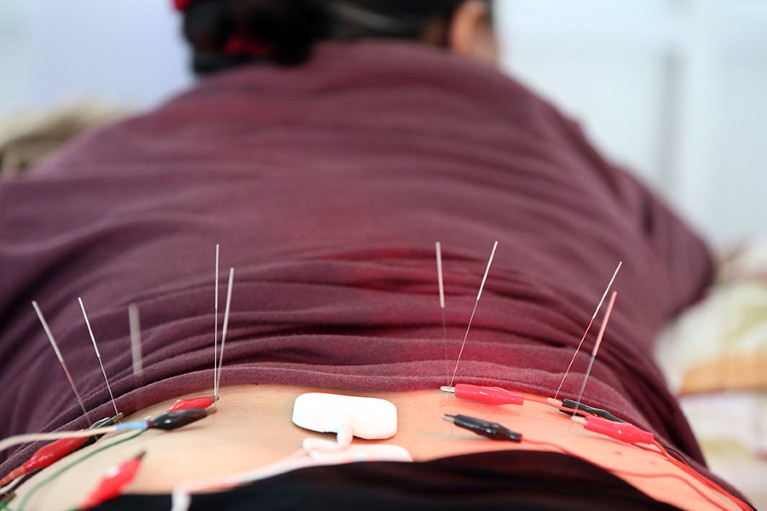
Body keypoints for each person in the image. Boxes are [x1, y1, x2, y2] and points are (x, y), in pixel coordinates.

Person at [0, 1, 752, 509]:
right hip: (589, 481)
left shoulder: (83, 167)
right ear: (466, 26)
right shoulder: (559, 148)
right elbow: (689, 262)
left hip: (166, 478)